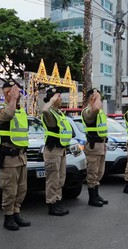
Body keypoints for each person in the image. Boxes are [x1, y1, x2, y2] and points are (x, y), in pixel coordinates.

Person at [0, 81, 31, 231]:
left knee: (21, 188)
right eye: (11, 92)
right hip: (9, 157)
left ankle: (16, 212)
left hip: (21, 157)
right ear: (6, 93)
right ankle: (8, 216)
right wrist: (13, 99)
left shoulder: (21, 111)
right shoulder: (0, 109)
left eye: (17, 91)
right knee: (10, 189)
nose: (16, 94)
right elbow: (7, 116)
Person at [41, 87, 72, 216]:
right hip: (53, 150)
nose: (60, 99)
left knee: (60, 179)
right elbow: (44, 109)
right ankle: (52, 204)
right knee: (53, 179)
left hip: (61, 150)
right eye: (58, 97)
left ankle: (58, 201)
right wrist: (51, 100)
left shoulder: (59, 113)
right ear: (52, 99)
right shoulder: (49, 113)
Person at [81, 88, 108, 206]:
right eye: (97, 97)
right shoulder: (87, 111)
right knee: (92, 173)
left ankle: (96, 195)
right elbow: (95, 108)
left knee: (99, 173)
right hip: (93, 146)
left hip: (101, 145)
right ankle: (92, 198)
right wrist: (97, 97)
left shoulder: (100, 112)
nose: (100, 100)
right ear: (92, 98)